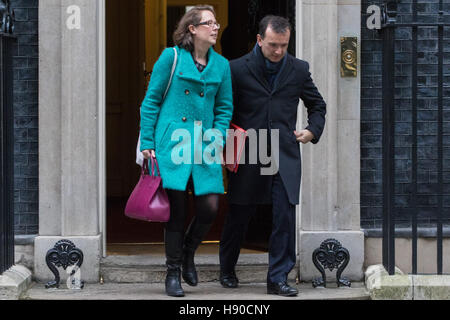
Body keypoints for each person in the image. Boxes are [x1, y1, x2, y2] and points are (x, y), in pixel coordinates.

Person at [219, 15, 326, 297]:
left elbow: (318, 105)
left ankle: (277, 278)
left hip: (283, 152)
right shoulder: (236, 69)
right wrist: (223, 145)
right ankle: (227, 268)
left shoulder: (299, 69)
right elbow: (223, 109)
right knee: (240, 213)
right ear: (259, 40)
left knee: (284, 216)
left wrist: (311, 131)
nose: (279, 51)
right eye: (273, 45)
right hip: (248, 149)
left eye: (284, 45)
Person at [139, 5, 233, 297]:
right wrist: (148, 144)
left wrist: (217, 134)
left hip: (204, 144)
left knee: (210, 208)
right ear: (192, 29)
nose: (215, 27)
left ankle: (189, 252)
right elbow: (151, 101)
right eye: (209, 23)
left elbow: (224, 106)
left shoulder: (221, 65)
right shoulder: (172, 57)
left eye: (216, 23)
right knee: (176, 213)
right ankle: (173, 272)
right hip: (172, 144)